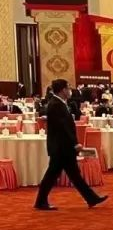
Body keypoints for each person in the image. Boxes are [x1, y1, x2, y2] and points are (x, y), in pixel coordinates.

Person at [34, 79, 108, 211]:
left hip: (62, 147)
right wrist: (75, 143)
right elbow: (63, 128)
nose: (70, 90)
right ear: (63, 90)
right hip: (61, 147)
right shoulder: (56, 104)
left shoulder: (59, 103)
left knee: (72, 175)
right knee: (54, 175)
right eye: (68, 88)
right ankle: (40, 201)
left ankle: (91, 198)